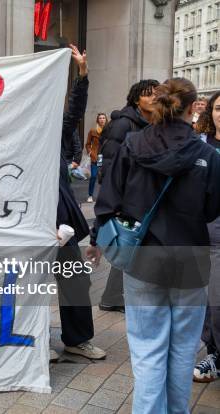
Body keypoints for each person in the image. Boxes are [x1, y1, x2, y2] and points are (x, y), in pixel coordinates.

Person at [88, 78, 220, 413]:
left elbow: (108, 199)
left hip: (143, 259)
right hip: (191, 258)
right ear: (193, 108)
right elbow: (210, 209)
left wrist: (97, 241)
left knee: (148, 352)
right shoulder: (207, 154)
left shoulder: (133, 145)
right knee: (182, 352)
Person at [52, 44, 106, 361]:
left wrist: (82, 75)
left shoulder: (55, 131)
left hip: (61, 222)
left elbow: (73, 111)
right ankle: (28, 341)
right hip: (27, 222)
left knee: (74, 280)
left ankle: (77, 339)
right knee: (26, 285)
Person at [96, 79, 160, 313]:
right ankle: (114, 296)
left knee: (131, 246)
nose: (153, 98)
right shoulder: (124, 124)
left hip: (143, 197)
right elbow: (110, 165)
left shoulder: (152, 124)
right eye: (147, 94)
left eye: (157, 94)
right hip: (126, 197)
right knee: (128, 244)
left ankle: (113, 296)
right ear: (136, 99)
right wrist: (115, 200)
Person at [193, 91, 220, 382]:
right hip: (210, 229)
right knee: (213, 296)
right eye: (218, 108)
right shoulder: (200, 146)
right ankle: (214, 353)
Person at [85, 113, 106, 202]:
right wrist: (90, 152)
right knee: (93, 176)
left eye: (103, 118)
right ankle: (90, 195)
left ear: (106, 120)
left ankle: (104, 197)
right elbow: (87, 144)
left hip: (105, 156)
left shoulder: (109, 130)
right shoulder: (93, 131)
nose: (102, 119)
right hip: (96, 156)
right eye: (100, 118)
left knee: (104, 177)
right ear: (97, 120)